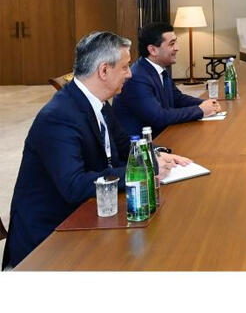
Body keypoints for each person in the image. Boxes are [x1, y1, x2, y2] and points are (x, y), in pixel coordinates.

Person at [2, 32, 190, 269]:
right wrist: (143, 170)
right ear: (104, 70)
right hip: (51, 239)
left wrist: (157, 154)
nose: (130, 74)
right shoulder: (59, 117)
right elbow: (74, 185)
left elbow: (125, 147)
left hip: (91, 214)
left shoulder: (98, 101)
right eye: (125, 67)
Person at [113, 22, 221, 138]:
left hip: (164, 134)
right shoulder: (137, 78)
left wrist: (207, 104)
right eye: (172, 44)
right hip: (144, 144)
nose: (177, 48)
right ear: (153, 50)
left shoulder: (161, 68)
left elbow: (177, 98)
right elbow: (159, 117)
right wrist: (200, 110)